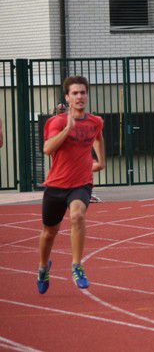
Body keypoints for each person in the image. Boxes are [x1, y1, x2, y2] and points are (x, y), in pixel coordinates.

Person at [37, 76, 105, 294]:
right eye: (75, 93)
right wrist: (67, 129)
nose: (79, 97)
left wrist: (101, 160)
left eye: (83, 92)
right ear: (67, 97)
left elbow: (97, 137)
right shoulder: (56, 122)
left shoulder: (95, 121)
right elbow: (47, 149)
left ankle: (77, 266)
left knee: (77, 216)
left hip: (81, 183)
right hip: (56, 185)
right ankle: (43, 267)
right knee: (49, 232)